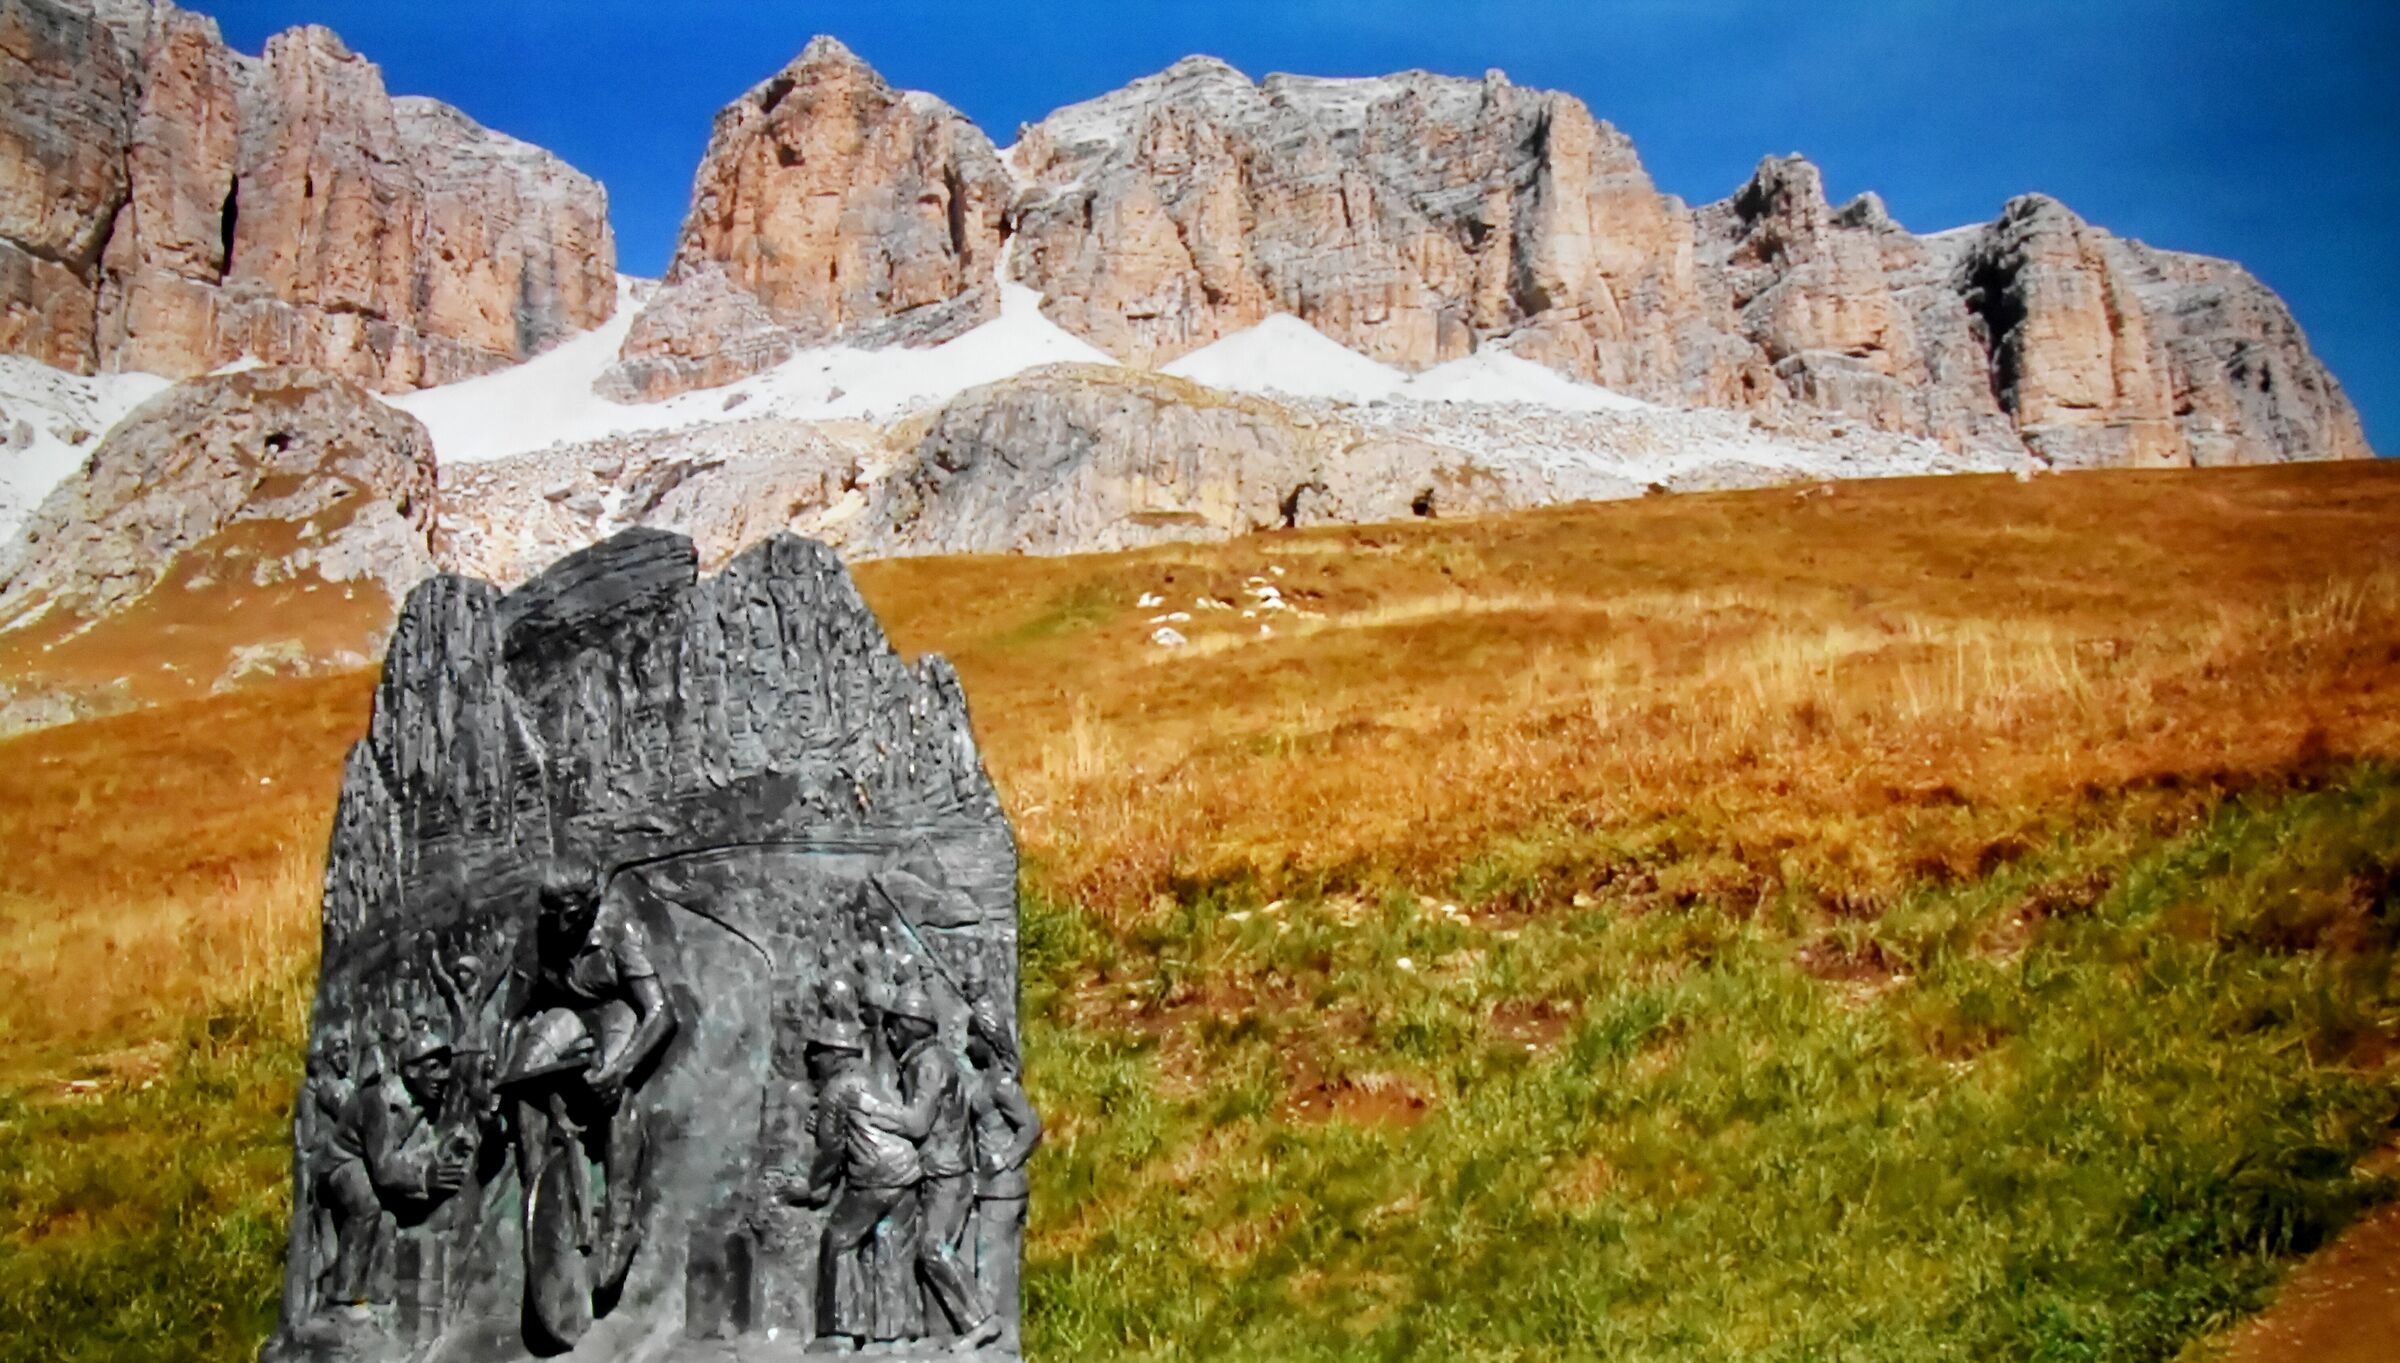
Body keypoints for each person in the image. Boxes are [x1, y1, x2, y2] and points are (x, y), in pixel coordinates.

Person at [505, 858, 677, 1303]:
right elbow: (513, 1017)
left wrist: (622, 1069)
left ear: (592, 903)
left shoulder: (619, 932)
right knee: (522, 1077)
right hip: (567, 1015)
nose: (561, 922)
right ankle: (538, 1198)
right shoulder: (538, 937)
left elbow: (660, 1012)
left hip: (616, 1008)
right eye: (552, 911)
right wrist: (499, 1071)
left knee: (611, 1087)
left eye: (571, 911)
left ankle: (620, 1220)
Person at [878, 984, 1002, 1352]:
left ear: (908, 1026)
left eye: (893, 1027)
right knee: (926, 1248)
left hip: (949, 1173)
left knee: (933, 1249)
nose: (889, 1035)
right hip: (939, 1170)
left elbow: (916, 1122)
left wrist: (870, 1109)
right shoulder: (926, 1059)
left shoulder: (929, 1064)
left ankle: (981, 1320)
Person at [793, 998, 920, 1352]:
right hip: (907, 1172)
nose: (813, 1062)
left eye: (817, 1054)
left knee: (837, 1241)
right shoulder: (870, 1079)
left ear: (834, 1054)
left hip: (875, 1177)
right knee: (890, 1244)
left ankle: (839, 1334)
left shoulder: (836, 1088)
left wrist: (814, 1188)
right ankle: (896, 1337)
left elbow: (830, 1150)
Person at [965, 1002, 1040, 1350]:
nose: (968, 1045)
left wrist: (1005, 1158)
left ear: (989, 1039)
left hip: (1003, 1188)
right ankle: (1007, 1337)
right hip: (994, 1186)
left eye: (973, 1036)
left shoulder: (1003, 1084)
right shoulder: (990, 1079)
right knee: (1004, 1263)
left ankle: (989, 1328)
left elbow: (1031, 1126)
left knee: (990, 1257)